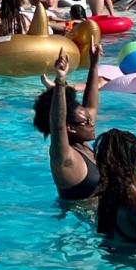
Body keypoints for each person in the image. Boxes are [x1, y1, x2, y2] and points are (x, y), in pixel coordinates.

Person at [32, 40, 101, 201]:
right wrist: (60, 80)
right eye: (86, 122)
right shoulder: (64, 158)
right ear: (69, 128)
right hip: (79, 224)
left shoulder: (82, 144)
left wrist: (94, 64)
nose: (92, 123)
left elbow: (91, 106)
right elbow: (57, 124)